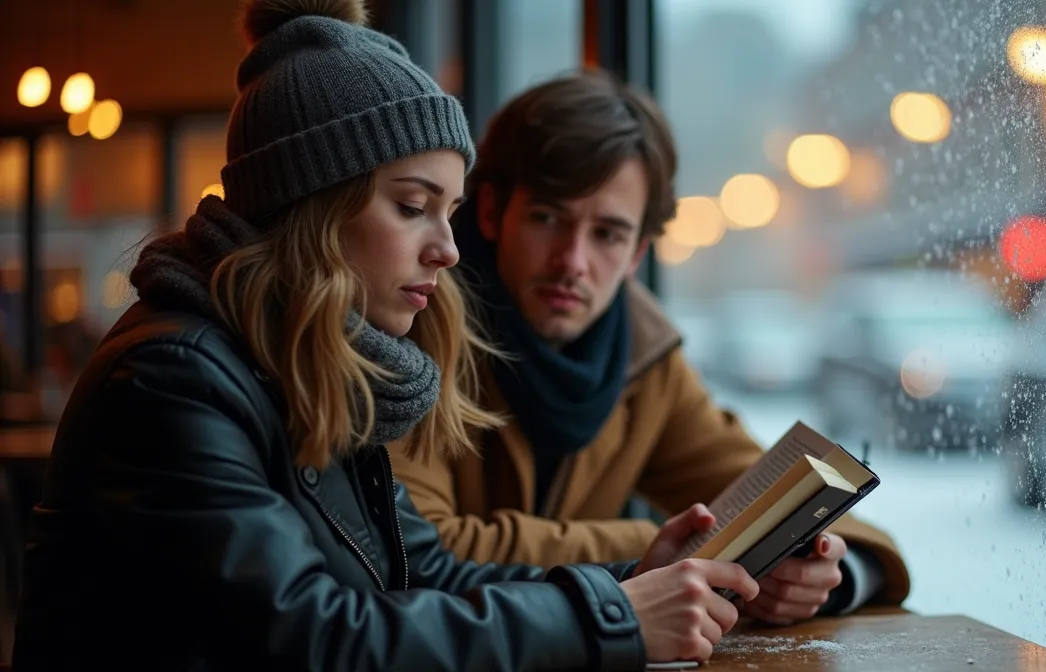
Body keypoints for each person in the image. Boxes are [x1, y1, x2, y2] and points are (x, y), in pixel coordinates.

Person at [11, 2, 760, 670]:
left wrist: (627, 583)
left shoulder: (310, 357)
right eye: (412, 206)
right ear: (314, 204)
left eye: (450, 209)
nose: (450, 248)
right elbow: (313, 635)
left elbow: (421, 571)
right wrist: (609, 618)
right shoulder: (174, 377)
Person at [389, 71, 912, 626]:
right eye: (547, 218)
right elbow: (422, 548)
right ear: (492, 212)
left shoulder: (643, 359)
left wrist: (827, 577)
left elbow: (805, 507)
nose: (573, 261)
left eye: (608, 234)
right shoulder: (414, 322)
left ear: (638, 251)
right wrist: (656, 551)